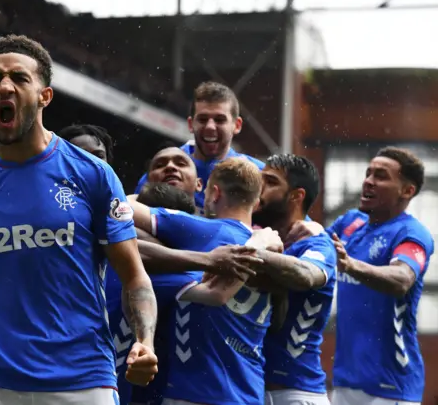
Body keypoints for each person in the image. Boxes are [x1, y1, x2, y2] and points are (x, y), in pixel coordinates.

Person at [0, 35, 158, 405]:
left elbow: (134, 277)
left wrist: (145, 342)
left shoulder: (92, 175)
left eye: (18, 77)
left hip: (82, 379)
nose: (4, 86)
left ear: (44, 96)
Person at [131, 158, 281, 405]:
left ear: (214, 193)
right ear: (256, 201)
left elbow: (118, 208)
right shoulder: (274, 252)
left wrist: (142, 192)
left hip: (196, 392)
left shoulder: (202, 230)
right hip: (249, 392)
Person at [326, 147, 433, 405]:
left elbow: (402, 278)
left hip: (391, 386)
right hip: (345, 380)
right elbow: (312, 245)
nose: (368, 181)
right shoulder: (350, 223)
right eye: (368, 173)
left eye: (381, 176)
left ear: (407, 191)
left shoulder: (411, 233)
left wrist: (352, 266)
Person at [250, 154, 337, 405]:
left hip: (295, 394)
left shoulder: (316, 243)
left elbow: (307, 275)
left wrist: (249, 252)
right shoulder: (247, 231)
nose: (259, 187)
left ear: (296, 196)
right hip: (248, 389)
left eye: (270, 181)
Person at [135, 81, 264, 211]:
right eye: (202, 119)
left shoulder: (258, 174)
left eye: (219, 120)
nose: (210, 127)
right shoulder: (164, 169)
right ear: (191, 124)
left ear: (237, 125)